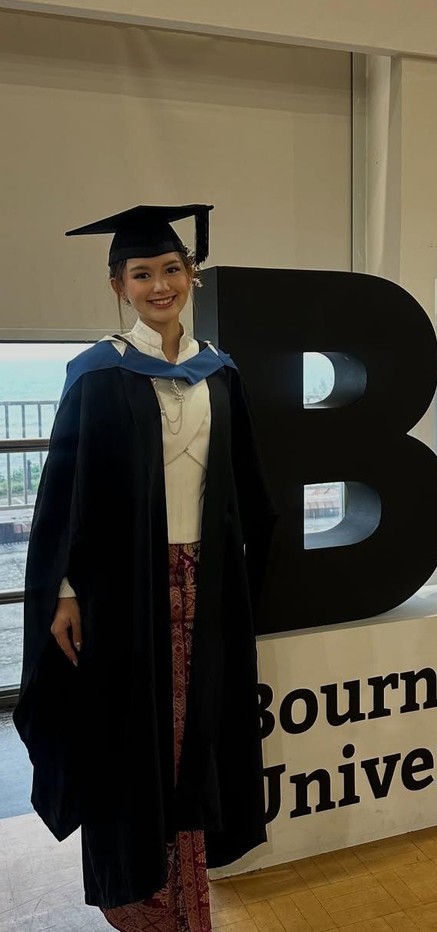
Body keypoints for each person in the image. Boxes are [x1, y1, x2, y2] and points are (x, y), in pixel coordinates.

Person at [13, 204, 275, 932]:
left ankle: (190, 900)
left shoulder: (218, 372)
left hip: (206, 583)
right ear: (117, 285)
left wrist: (242, 577)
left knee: (194, 735)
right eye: (142, 274)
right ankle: (136, 900)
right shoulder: (98, 374)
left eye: (171, 269)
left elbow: (245, 487)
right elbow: (61, 491)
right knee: (131, 736)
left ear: (191, 274)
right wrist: (62, 589)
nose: (160, 285)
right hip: (123, 589)